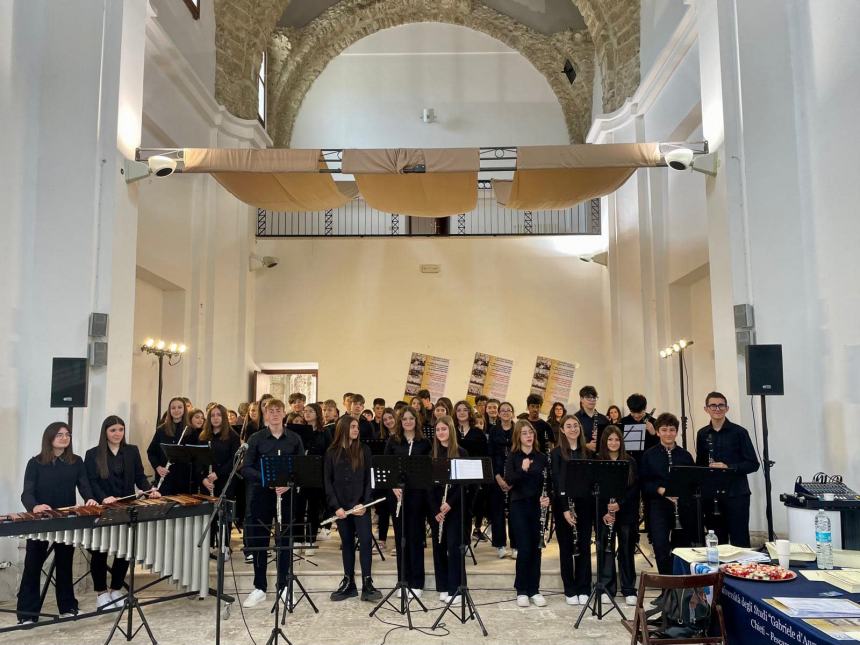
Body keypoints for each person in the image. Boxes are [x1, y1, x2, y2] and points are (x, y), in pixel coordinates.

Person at [17, 422, 97, 623]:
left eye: (67, 434)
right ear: (49, 438)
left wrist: (90, 499)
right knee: (33, 564)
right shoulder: (35, 463)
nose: (64, 437)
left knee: (64, 563)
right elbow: (27, 492)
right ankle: (27, 613)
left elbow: (84, 486)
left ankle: (67, 605)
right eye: (60, 434)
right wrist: (34, 507)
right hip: (41, 521)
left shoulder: (76, 462)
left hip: (65, 521)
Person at [84, 416, 161, 609]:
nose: (118, 434)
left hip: (127, 507)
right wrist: (103, 498)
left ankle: (116, 588)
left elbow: (139, 476)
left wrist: (150, 489)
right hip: (104, 508)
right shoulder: (93, 454)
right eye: (113, 430)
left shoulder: (131, 451)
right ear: (105, 432)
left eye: (121, 429)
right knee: (100, 551)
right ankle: (101, 593)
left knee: (125, 550)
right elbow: (91, 481)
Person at [241, 399, 305, 608]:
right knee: (260, 540)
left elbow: (301, 468)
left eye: (278, 410)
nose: (275, 414)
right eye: (271, 411)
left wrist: (288, 484)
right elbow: (246, 467)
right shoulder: (256, 438)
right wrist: (266, 480)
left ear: (284, 414)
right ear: (265, 415)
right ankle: (259, 587)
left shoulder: (294, 439)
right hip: (262, 495)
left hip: (286, 497)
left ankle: (284, 586)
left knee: (284, 541)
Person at [324, 415, 381, 602]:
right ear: (344, 428)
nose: (357, 430)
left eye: (357, 427)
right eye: (354, 427)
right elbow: (328, 483)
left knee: (365, 542)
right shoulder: (332, 452)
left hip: (360, 507)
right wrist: (336, 507)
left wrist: (364, 503)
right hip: (342, 509)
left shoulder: (364, 450)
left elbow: (368, 480)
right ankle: (349, 583)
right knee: (347, 544)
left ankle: (367, 583)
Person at [695, 392, 760, 547]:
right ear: (706, 409)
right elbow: (700, 465)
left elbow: (753, 464)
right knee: (716, 541)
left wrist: (728, 467)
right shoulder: (702, 434)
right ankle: (718, 572)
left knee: (740, 539)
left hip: (736, 494)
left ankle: (741, 571)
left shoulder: (739, 432)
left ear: (727, 408)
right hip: (711, 495)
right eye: (713, 405)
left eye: (721, 405)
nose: (717, 408)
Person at [640, 413, 695, 575]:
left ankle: (680, 587)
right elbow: (643, 482)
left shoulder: (685, 455)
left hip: (682, 506)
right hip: (659, 506)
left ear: (676, 432)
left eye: (672, 430)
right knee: (660, 545)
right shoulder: (649, 455)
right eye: (664, 430)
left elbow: (693, 482)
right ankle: (667, 588)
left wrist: (682, 493)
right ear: (657, 432)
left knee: (682, 548)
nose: (668, 433)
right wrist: (660, 490)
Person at [384, 407, 430, 594]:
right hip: (398, 497)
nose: (408, 422)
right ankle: (403, 580)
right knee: (401, 539)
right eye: (404, 419)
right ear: (400, 421)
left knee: (416, 538)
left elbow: (428, 471)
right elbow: (386, 468)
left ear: (416, 421)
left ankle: (417, 583)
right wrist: (393, 485)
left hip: (417, 497)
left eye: (411, 418)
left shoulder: (424, 443)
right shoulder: (393, 441)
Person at [504, 420, 550, 608]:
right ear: (518, 437)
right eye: (524, 433)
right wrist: (522, 469)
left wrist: (548, 498)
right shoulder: (513, 457)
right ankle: (521, 590)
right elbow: (509, 481)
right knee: (524, 548)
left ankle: (534, 589)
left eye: (530, 433)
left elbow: (548, 482)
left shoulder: (541, 457)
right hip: (519, 505)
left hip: (538, 506)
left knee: (536, 548)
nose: (528, 436)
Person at [550, 414, 593, 605]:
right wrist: (566, 509)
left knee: (584, 547)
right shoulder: (556, 453)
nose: (573, 429)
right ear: (562, 430)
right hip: (563, 508)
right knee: (566, 548)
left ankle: (584, 587)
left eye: (576, 426)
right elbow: (558, 483)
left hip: (584, 506)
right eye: (568, 426)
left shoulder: (588, 452)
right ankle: (570, 589)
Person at [595, 425, 639, 606]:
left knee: (627, 550)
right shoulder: (598, 461)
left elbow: (634, 489)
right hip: (606, 514)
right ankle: (607, 587)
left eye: (617, 439)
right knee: (606, 549)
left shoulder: (630, 461)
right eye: (610, 440)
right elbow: (595, 489)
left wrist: (619, 504)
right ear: (604, 442)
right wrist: (606, 511)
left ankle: (629, 589)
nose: (614, 443)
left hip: (625, 511)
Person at [428, 415, 468, 602]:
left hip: (455, 508)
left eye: (444, 429)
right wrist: (436, 509)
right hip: (437, 511)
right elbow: (429, 487)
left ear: (450, 430)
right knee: (439, 547)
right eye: (437, 430)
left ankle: (456, 588)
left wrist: (449, 503)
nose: (440, 432)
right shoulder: (432, 454)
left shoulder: (461, 453)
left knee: (453, 547)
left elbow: (464, 486)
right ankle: (443, 586)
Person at [198, 404, 241, 544]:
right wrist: (203, 478)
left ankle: (225, 545)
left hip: (225, 481)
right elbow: (198, 459)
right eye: (212, 415)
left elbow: (234, 460)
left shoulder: (233, 436)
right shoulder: (203, 436)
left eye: (219, 415)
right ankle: (209, 545)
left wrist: (218, 474)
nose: (215, 418)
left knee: (223, 514)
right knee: (209, 514)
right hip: (207, 482)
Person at [147, 396, 193, 494]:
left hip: (184, 478)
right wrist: (158, 467)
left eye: (180, 407)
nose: (176, 410)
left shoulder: (191, 431)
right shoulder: (161, 430)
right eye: (173, 408)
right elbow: (151, 452)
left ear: (184, 409)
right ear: (169, 410)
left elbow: (195, 456)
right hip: (165, 477)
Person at [302, 402, 332, 547]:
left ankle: (311, 539)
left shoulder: (324, 432)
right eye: (305, 411)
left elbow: (329, 452)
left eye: (310, 411)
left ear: (317, 414)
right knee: (300, 506)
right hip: (301, 472)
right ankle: (298, 539)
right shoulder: (299, 431)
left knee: (314, 507)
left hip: (317, 472)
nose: (307, 413)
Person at [488, 401, 515, 558]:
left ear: (512, 413)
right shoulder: (493, 431)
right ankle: (500, 545)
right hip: (497, 476)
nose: (505, 412)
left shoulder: (518, 429)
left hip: (515, 478)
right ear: (498, 414)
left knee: (514, 513)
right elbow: (490, 455)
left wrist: (512, 480)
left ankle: (516, 545)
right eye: (502, 410)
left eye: (508, 410)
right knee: (497, 511)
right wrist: (498, 477)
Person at [575, 386, 609, 452]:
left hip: (601, 456)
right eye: (588, 398)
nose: (592, 400)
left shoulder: (604, 419)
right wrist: (586, 445)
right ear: (581, 399)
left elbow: (610, 438)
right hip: (582, 456)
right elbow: (570, 441)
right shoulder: (575, 418)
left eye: (594, 397)